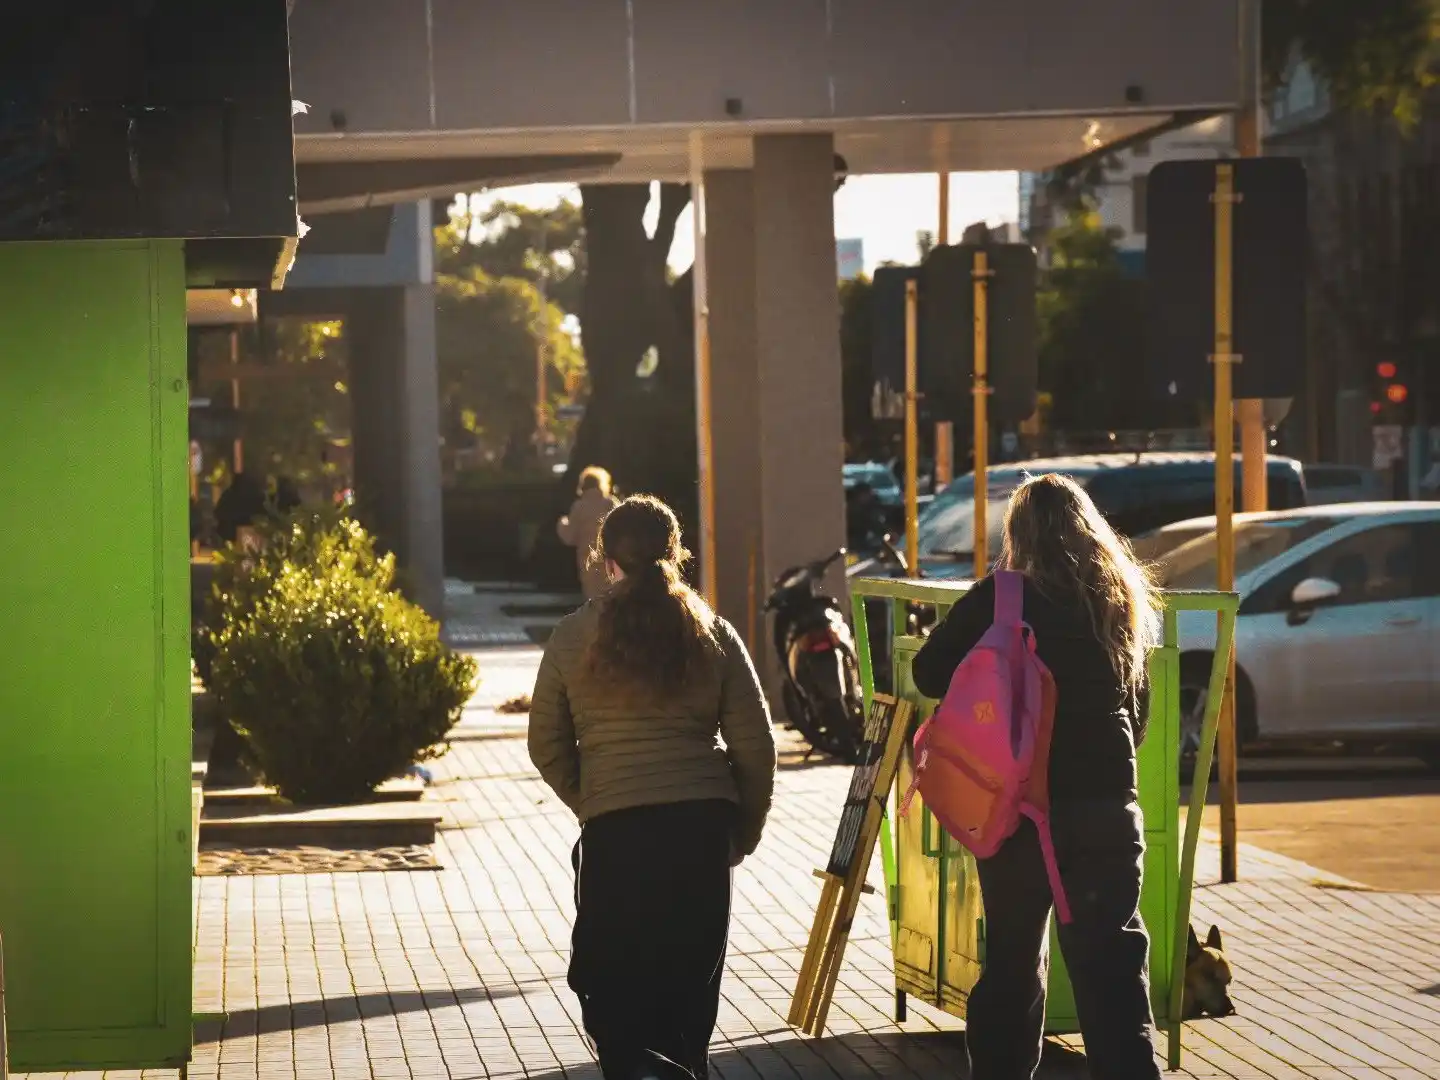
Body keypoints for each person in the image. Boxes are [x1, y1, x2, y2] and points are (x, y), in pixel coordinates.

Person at [911, 473, 1163, 1080]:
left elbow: (927, 672)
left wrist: (993, 697)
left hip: (1018, 811)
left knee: (1013, 963)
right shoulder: (1117, 600)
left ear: (1017, 534)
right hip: (1105, 809)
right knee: (1112, 962)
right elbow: (1141, 711)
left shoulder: (1001, 598)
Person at [529, 495, 777, 1080]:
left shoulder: (572, 636)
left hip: (618, 834)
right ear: (676, 553)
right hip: (701, 829)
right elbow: (756, 745)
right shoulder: (713, 633)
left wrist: (593, 798)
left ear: (606, 559)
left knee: (613, 977)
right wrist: (744, 830)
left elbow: (547, 743)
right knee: (690, 983)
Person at [558, 466, 621, 600]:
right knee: (611, 593)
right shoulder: (611, 503)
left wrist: (562, 523)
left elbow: (570, 537)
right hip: (609, 556)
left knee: (593, 597)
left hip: (586, 558)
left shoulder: (579, 506)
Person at [213, 472, 267, 545]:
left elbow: (218, 512)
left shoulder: (228, 494)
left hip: (230, 532)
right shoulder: (254, 494)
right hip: (250, 532)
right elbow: (262, 510)